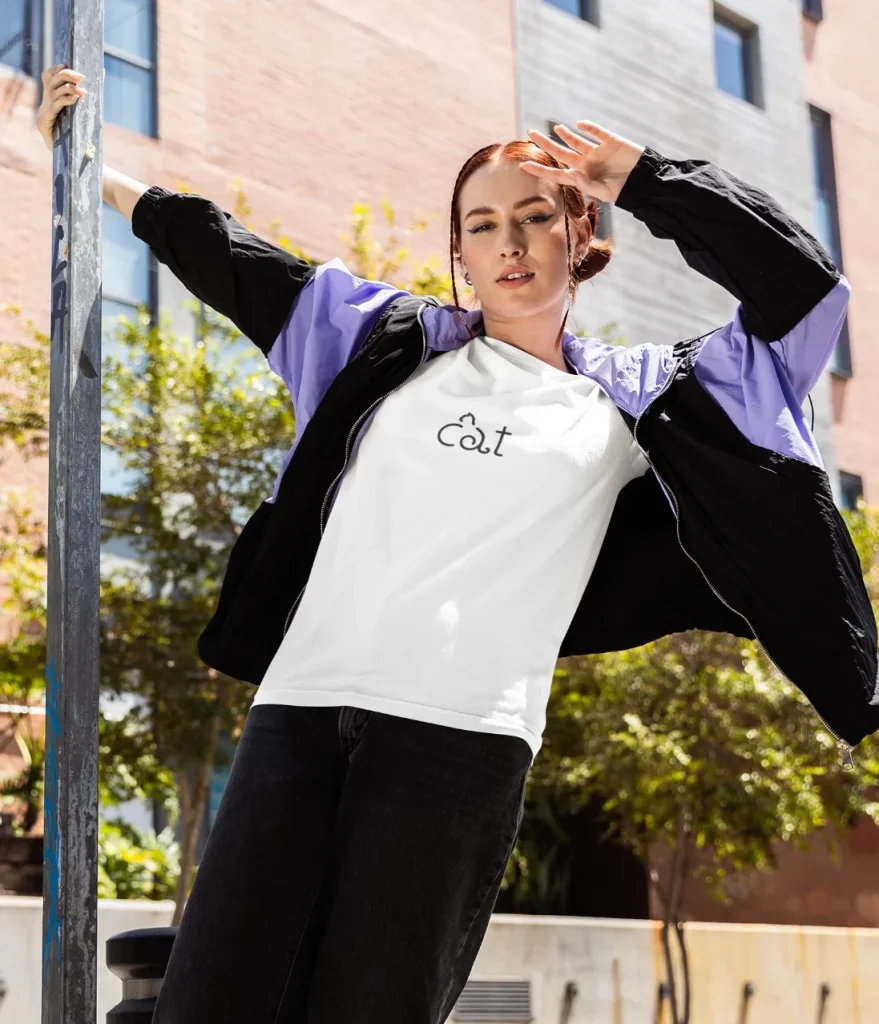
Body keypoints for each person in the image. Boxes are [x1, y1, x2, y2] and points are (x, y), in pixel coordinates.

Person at [38, 65, 879, 1023]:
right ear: (460, 253)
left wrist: (644, 178)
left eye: (534, 216)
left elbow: (805, 294)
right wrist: (96, 163)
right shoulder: (382, 342)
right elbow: (228, 257)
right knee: (210, 1003)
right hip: (301, 716)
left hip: (459, 747)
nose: (508, 242)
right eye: (481, 225)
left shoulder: (646, 396)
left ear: (582, 236)